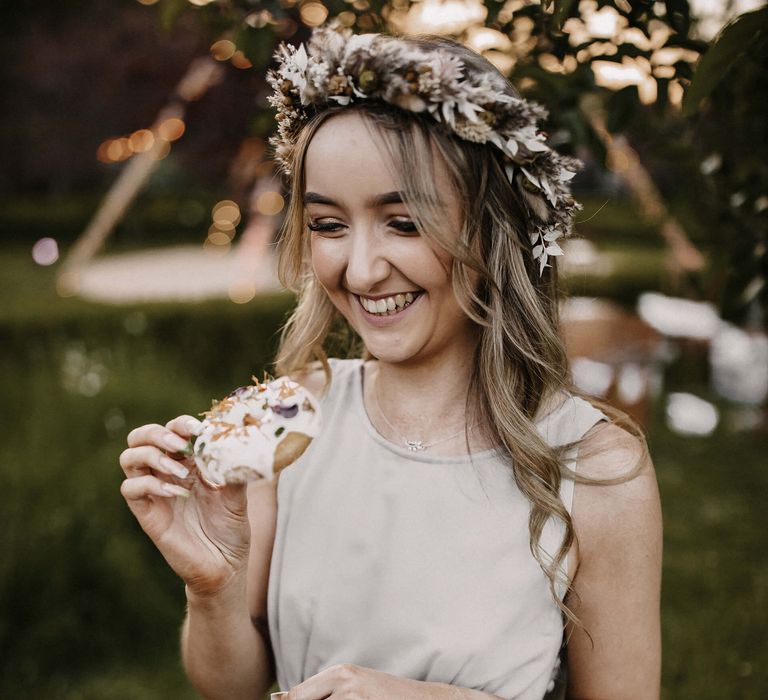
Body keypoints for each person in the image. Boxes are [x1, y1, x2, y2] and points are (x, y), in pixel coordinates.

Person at [119, 27, 662, 700]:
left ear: (493, 230)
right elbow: (233, 685)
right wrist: (215, 588)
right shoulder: (294, 419)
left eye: (404, 223)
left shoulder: (597, 471)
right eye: (328, 225)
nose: (362, 269)